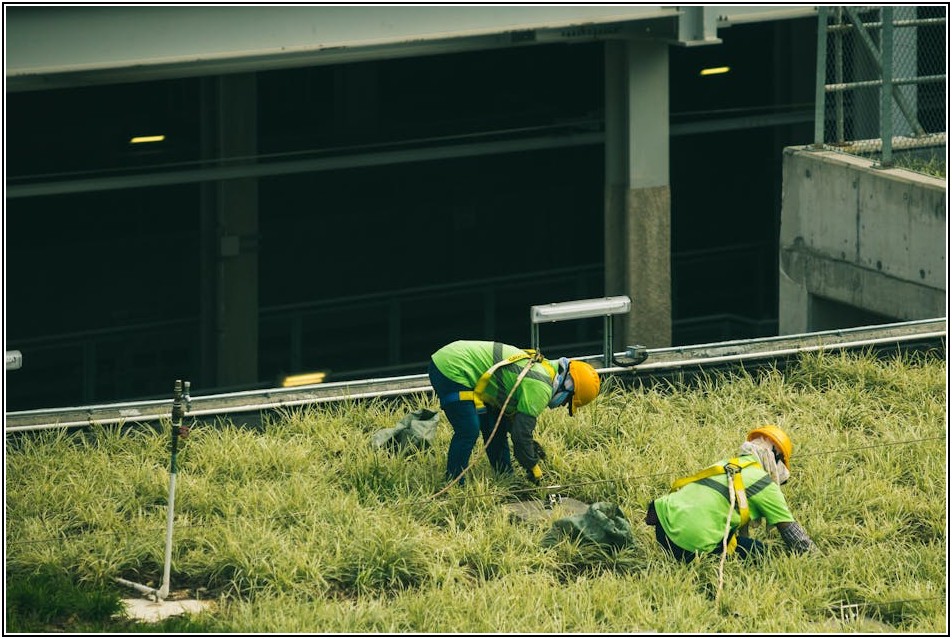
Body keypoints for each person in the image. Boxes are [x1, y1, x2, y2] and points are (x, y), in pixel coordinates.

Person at [428, 340, 600, 487]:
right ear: (568, 387)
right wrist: (533, 468)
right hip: (451, 367)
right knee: (468, 430)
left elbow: (513, 424)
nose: (562, 405)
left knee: (495, 426)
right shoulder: (541, 386)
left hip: (454, 359)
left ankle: (505, 476)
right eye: (567, 402)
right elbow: (520, 436)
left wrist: (529, 446)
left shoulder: (543, 369)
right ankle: (454, 484)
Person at [645, 425, 815, 561]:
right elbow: (793, 534)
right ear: (776, 460)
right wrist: (816, 557)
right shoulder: (764, 484)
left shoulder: (727, 464)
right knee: (759, 552)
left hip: (663, 526)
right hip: (689, 544)